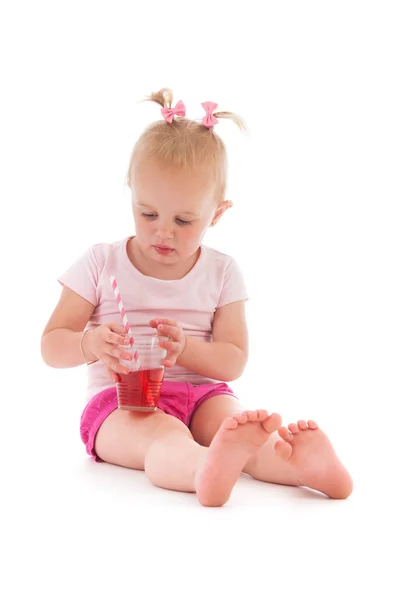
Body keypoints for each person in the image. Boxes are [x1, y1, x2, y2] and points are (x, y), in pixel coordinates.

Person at [41, 88, 353, 507]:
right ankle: (202, 469)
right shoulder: (101, 263)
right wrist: (89, 344)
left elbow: (233, 360)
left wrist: (186, 350)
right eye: (148, 213)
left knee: (232, 424)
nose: (162, 232)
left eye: (184, 220)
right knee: (163, 436)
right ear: (131, 192)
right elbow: (51, 345)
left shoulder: (222, 272)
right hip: (121, 404)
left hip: (204, 396)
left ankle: (298, 465)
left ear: (217, 213)